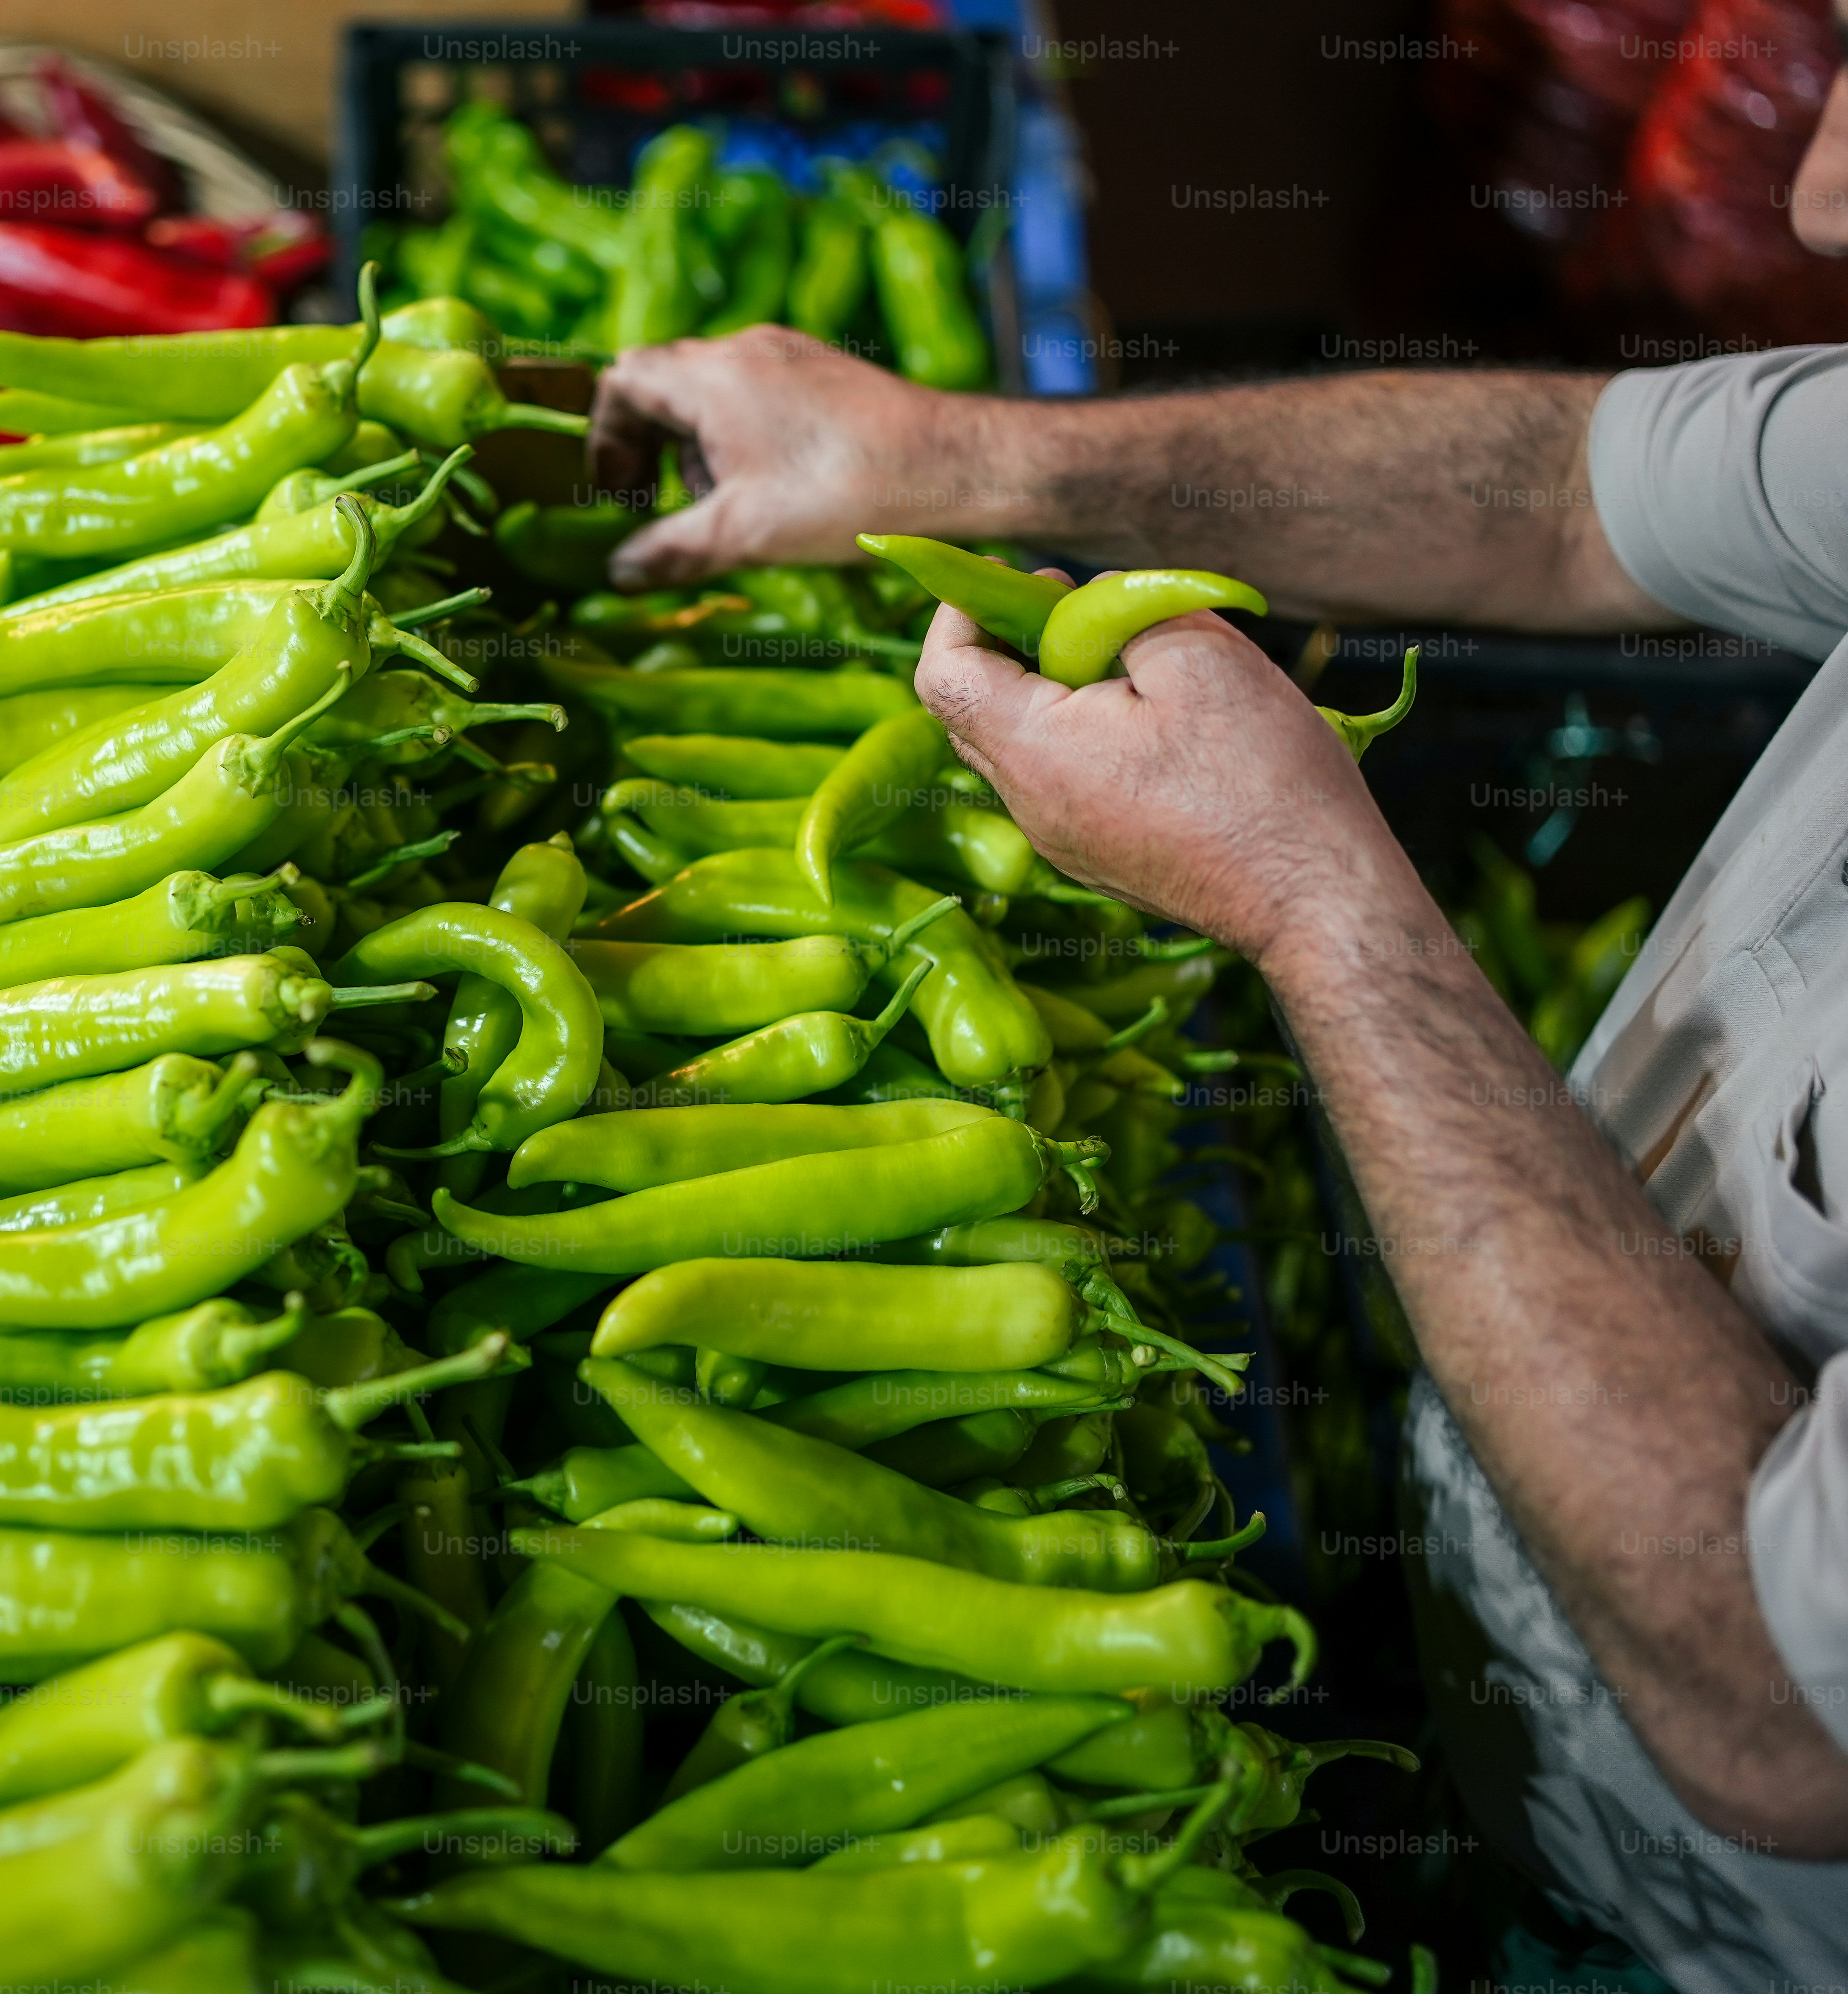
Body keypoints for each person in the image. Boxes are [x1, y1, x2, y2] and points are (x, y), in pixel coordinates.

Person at [580, 73, 1848, 1992]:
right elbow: (1572, 495)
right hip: (1530, 1695)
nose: (1817, 196)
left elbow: (1781, 1696)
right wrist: (940, 457)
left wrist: (1310, 900)